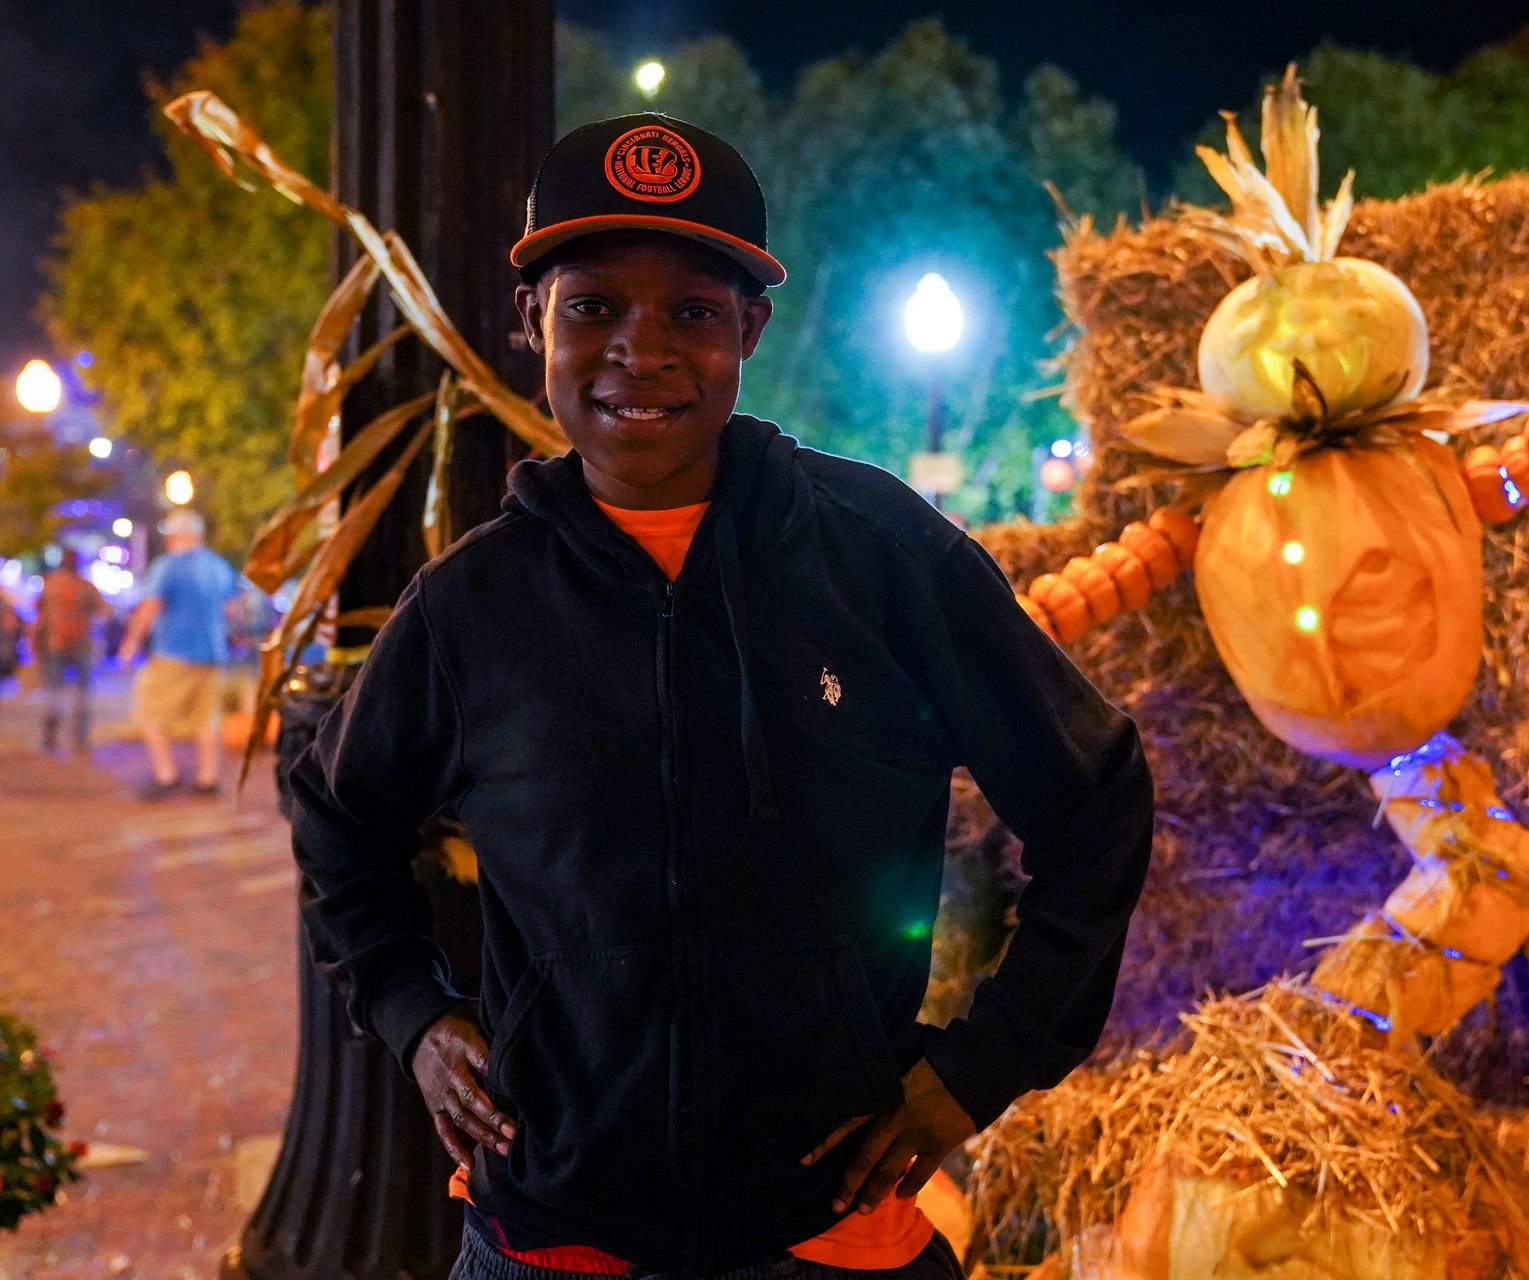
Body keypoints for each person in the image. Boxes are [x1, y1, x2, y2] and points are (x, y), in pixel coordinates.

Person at [288, 114, 1154, 1280]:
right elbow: (338, 814)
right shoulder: (471, 604)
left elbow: (1094, 796)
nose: (640, 351)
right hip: (552, 1235)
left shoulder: (880, 554)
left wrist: (981, 1065)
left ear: (750, 327)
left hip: (831, 1231)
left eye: (693, 311)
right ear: (537, 319)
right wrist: (412, 1010)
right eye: (593, 305)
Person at [119, 508, 240, 798]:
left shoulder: (167, 566)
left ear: (175, 535)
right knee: (206, 717)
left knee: (151, 711)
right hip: (213, 652)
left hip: (173, 651)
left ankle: (166, 775)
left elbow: (150, 607)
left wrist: (131, 642)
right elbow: (232, 609)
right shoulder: (219, 566)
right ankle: (207, 779)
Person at [31, 551, 107, 754]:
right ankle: (80, 737)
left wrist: (36, 642)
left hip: (54, 643)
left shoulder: (50, 584)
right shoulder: (85, 586)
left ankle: (51, 734)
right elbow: (104, 610)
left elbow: (39, 613)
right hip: (81, 643)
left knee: (54, 689)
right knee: (82, 691)